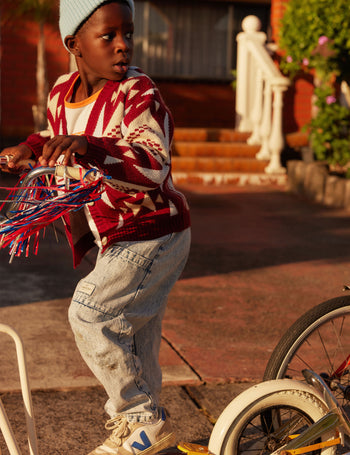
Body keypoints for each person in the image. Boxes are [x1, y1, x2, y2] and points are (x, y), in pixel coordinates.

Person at [0, 0, 191, 454]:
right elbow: (54, 137)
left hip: (153, 230)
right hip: (116, 236)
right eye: (109, 36)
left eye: (128, 33)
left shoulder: (137, 92)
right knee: (134, 334)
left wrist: (89, 146)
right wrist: (30, 148)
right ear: (75, 44)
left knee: (90, 312)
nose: (123, 46)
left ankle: (138, 420)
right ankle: (148, 435)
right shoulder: (61, 92)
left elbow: (152, 165)